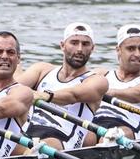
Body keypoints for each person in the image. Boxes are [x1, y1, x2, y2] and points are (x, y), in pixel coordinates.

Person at [17, 22, 108, 150]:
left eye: (85, 44)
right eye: (74, 43)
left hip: (62, 141)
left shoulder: (97, 80)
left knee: (48, 143)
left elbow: (74, 95)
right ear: (62, 45)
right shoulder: (42, 70)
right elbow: (10, 89)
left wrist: (44, 95)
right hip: (29, 134)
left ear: (92, 48)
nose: (80, 49)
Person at [91, 24, 140, 140]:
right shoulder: (102, 74)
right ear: (118, 50)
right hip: (94, 124)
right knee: (87, 136)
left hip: (127, 129)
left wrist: (107, 92)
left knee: (110, 136)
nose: (137, 54)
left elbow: (136, 94)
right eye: (131, 48)